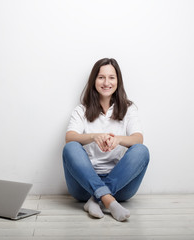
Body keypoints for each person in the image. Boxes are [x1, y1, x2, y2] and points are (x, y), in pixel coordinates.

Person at [62, 58, 150, 221]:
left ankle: (97, 199)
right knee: (71, 147)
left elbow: (138, 138)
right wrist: (93, 137)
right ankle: (108, 201)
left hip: (120, 185)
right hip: (84, 185)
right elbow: (70, 137)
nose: (106, 82)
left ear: (118, 81)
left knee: (141, 151)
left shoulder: (128, 109)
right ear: (94, 80)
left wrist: (118, 140)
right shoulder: (81, 110)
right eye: (101, 77)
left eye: (111, 77)